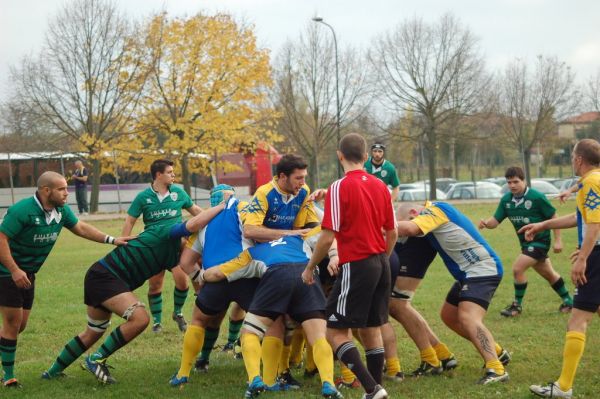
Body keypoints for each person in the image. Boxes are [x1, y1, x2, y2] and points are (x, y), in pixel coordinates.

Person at [42, 200, 226, 384]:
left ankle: (52, 373)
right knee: (140, 318)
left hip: (101, 276)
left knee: (93, 331)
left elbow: (197, 278)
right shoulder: (169, 231)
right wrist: (221, 206)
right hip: (105, 276)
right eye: (200, 251)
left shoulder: (177, 256)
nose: (200, 257)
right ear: (191, 240)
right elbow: (194, 223)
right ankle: (96, 359)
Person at [0, 171, 130, 388]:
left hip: (29, 273)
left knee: (19, 326)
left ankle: (6, 355)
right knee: (12, 324)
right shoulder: (22, 210)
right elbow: (1, 238)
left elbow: (80, 228)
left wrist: (111, 239)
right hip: (6, 272)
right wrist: (13, 269)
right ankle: (9, 377)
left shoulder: (61, 211)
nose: (66, 193)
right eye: (61, 189)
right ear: (46, 190)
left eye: (66, 189)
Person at [303, 132, 398, 399]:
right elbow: (392, 232)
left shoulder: (339, 187)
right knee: (370, 329)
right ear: (366, 157)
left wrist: (310, 267)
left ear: (339, 155)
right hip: (382, 262)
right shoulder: (382, 186)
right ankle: (375, 391)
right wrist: (382, 257)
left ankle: (372, 388)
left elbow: (327, 237)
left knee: (334, 331)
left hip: (356, 264)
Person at [199, 232, 344, 399]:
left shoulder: (251, 252)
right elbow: (327, 237)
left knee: (250, 332)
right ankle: (328, 384)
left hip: (277, 276)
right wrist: (334, 256)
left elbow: (218, 273)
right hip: (307, 276)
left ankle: (255, 380)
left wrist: (201, 275)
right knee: (318, 336)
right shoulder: (298, 237)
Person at [395, 201, 510, 385]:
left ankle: (496, 369)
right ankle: (496, 352)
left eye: (407, 219)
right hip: (468, 273)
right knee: (449, 316)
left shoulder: (436, 210)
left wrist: (378, 223)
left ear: (414, 212)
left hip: (483, 269)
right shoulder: (433, 214)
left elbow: (409, 229)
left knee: (468, 317)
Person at [527, 139, 600, 398]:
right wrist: (543, 225)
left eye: (572, 156)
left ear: (579, 159)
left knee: (577, 321)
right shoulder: (593, 180)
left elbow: (594, 225)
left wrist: (584, 257)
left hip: (596, 257)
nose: (571, 160)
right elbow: (580, 218)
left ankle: (564, 387)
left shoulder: (591, 183)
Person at [168, 187, 259, 386]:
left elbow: (185, 262)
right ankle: (263, 375)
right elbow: (259, 234)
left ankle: (185, 371)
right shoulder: (245, 207)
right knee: (266, 323)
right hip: (246, 277)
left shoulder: (204, 222)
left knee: (199, 321)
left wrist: (199, 277)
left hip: (215, 280)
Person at [243, 153, 319, 388]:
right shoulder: (265, 193)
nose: (302, 182)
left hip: (292, 258)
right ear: (282, 176)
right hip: (266, 261)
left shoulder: (303, 191)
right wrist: (288, 234)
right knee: (274, 319)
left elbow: (309, 225)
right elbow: (250, 230)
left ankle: (287, 369)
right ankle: (272, 371)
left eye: (304, 177)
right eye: (297, 178)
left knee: (291, 318)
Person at [479, 166, 573, 317]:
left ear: (524, 181)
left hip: (540, 242)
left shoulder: (536, 197)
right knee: (549, 274)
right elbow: (495, 221)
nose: (512, 185)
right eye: (509, 182)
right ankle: (568, 301)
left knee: (518, 268)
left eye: (515, 182)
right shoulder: (506, 200)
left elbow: (554, 217)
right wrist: (486, 223)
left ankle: (516, 306)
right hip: (526, 244)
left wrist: (558, 241)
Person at [121, 159, 202, 333]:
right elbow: (130, 220)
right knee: (155, 285)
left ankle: (178, 313)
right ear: (158, 174)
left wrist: (217, 219)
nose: (173, 175)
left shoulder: (178, 193)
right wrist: (123, 242)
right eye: (170, 172)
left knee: (182, 282)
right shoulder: (143, 197)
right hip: (154, 248)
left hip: (175, 247)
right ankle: (157, 322)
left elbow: (197, 212)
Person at [387, 236, 458, 377]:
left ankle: (431, 360)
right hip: (405, 238)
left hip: (413, 238)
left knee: (397, 304)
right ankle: (441, 353)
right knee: (396, 304)